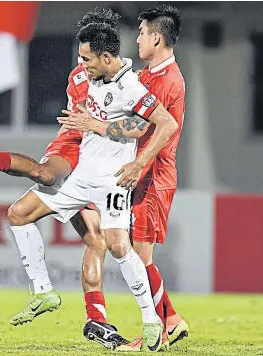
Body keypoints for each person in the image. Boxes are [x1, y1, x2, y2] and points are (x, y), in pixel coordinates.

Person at [0, 9, 133, 351]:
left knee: (96, 240)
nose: (83, 62)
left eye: (87, 56)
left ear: (107, 54)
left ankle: (96, 320)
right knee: (39, 185)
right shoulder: (81, 77)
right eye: (82, 56)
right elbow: (86, 121)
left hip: (99, 161)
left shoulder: (129, 80)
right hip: (75, 147)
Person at [57, 4, 189, 349]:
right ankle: (171, 320)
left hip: (152, 175)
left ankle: (161, 330)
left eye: (142, 33)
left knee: (139, 255)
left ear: (156, 38)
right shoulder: (147, 75)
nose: (138, 38)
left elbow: (158, 127)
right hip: (140, 173)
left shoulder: (166, 80)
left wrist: (136, 162)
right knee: (129, 250)